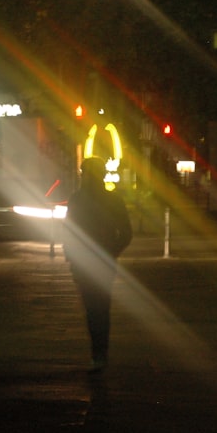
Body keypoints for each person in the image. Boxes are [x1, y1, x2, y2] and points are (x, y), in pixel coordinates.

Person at [63, 157, 133, 372]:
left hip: (85, 261)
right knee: (101, 308)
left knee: (93, 309)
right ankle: (100, 352)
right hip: (102, 261)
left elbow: (69, 232)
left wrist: (72, 257)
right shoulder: (112, 200)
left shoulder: (77, 199)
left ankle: (98, 352)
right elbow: (126, 233)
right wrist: (112, 252)